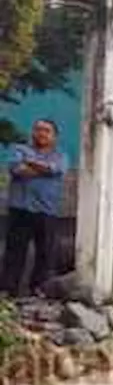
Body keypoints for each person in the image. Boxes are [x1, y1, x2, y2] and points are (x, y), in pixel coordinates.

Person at [1, 119, 66, 296]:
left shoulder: (60, 156)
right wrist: (44, 170)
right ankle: (8, 290)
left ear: (54, 136)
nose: (41, 133)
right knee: (15, 251)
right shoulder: (20, 150)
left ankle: (39, 289)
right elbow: (17, 170)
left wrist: (31, 164)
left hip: (47, 211)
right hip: (20, 208)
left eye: (46, 130)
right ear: (32, 132)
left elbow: (55, 169)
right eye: (38, 129)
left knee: (45, 253)